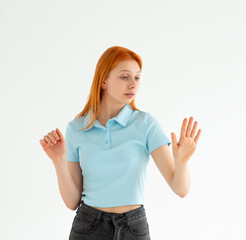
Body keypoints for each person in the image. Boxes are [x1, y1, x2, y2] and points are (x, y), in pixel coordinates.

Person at [39, 46, 202, 240]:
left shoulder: (145, 124)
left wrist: (182, 161)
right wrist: (58, 160)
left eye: (137, 77)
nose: (133, 84)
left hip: (133, 228)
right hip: (88, 227)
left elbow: (180, 189)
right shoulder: (76, 129)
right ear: (104, 81)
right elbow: (72, 201)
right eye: (124, 77)